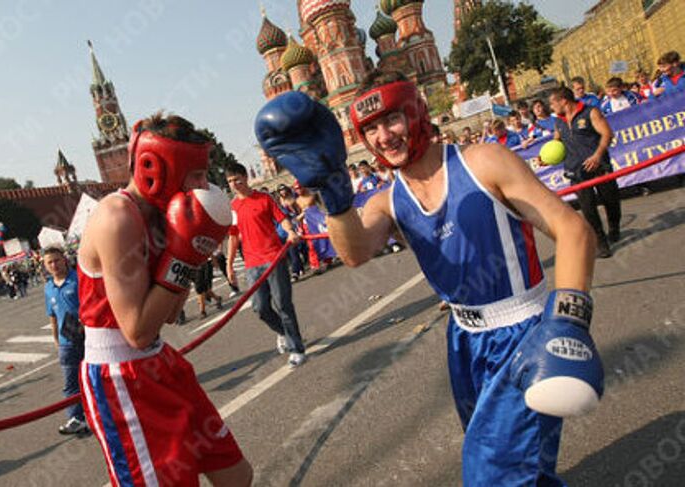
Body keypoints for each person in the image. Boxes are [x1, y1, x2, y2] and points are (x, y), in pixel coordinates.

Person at [256, 70, 604, 487]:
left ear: (416, 111)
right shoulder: (389, 200)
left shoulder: (483, 161)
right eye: (370, 128)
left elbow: (574, 231)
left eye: (391, 120)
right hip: (463, 340)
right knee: (524, 466)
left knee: (492, 475)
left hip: (522, 334)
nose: (383, 136)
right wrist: (334, 195)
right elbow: (355, 253)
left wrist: (566, 322)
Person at [77, 112, 252, 486]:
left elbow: (169, 315)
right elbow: (136, 330)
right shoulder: (117, 217)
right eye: (197, 175)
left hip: (159, 359)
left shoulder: (162, 216)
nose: (205, 184)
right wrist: (183, 258)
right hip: (121, 376)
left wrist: (189, 252)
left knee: (236, 475)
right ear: (157, 167)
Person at [226, 163, 307, 367]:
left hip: (274, 258)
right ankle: (282, 332)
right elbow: (234, 238)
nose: (234, 184)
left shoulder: (264, 199)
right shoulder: (233, 208)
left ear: (245, 177)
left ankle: (296, 348)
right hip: (252, 264)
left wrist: (290, 232)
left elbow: (282, 219)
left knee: (284, 305)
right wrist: (229, 265)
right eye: (230, 181)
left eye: (237, 179)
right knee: (260, 308)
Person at [549, 86, 621, 258]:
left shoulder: (591, 112)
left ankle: (613, 226)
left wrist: (597, 156)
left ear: (563, 101)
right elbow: (556, 143)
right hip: (576, 170)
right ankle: (600, 242)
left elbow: (607, 134)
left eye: (552, 103)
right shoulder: (558, 121)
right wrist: (546, 157)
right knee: (588, 208)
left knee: (610, 199)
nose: (551, 107)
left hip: (598, 166)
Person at [43, 246, 88, 435]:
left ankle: (105, 412)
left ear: (64, 260)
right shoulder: (48, 288)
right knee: (71, 383)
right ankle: (76, 418)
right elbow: (52, 316)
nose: (54, 265)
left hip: (89, 337)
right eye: (49, 262)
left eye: (56, 260)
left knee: (97, 376)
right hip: (66, 342)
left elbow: (92, 302)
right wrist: (55, 339)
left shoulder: (78, 279)